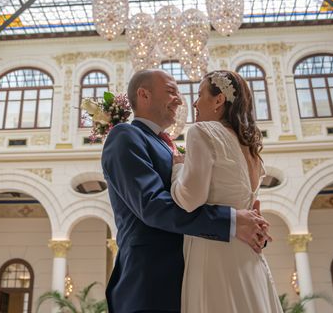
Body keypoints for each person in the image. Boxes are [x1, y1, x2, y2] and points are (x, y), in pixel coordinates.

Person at [101, 69, 270, 313]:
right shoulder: (126, 136)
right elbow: (153, 206)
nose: (181, 100)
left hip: (199, 275)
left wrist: (250, 226)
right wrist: (233, 222)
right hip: (152, 282)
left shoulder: (173, 145)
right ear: (143, 95)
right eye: (171, 92)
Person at [171, 70, 283, 312]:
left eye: (200, 94)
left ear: (219, 99)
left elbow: (189, 199)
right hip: (248, 254)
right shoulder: (251, 149)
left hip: (215, 253)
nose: (194, 102)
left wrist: (178, 168)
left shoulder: (203, 132)